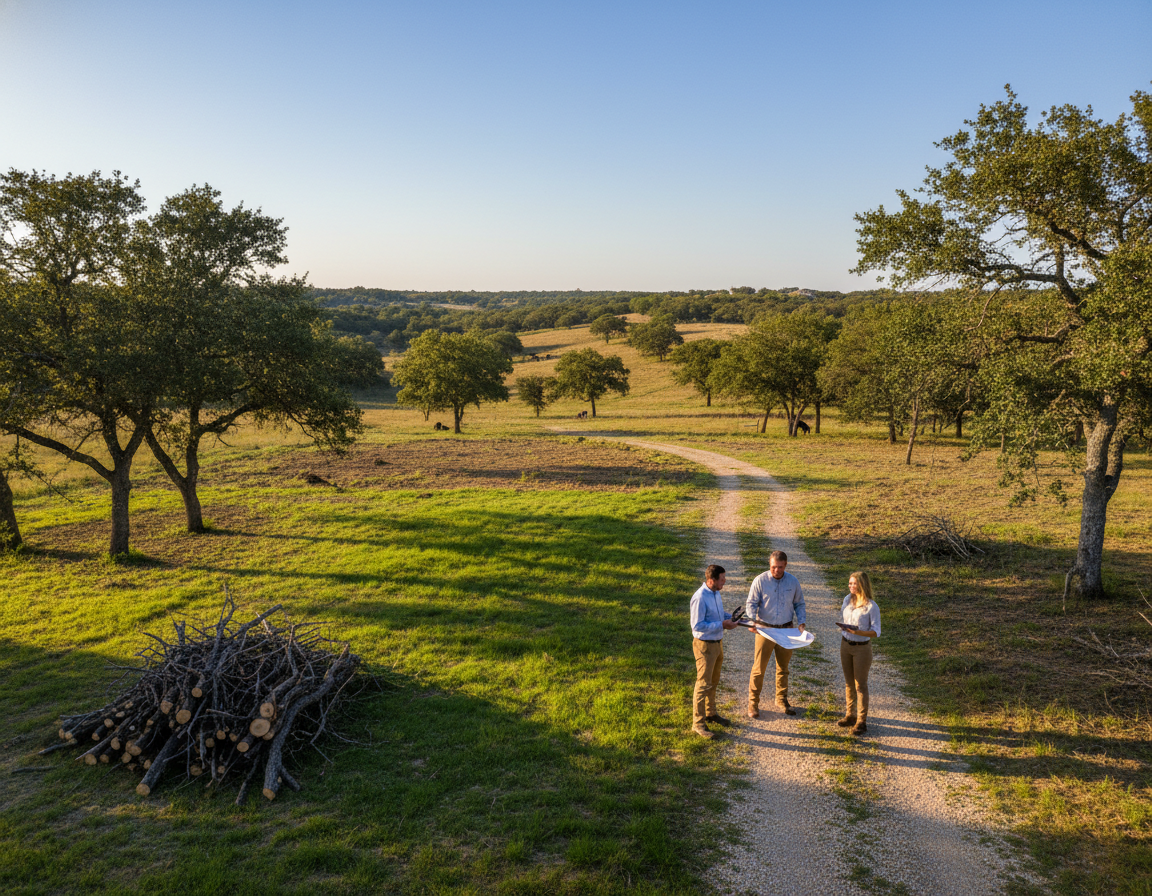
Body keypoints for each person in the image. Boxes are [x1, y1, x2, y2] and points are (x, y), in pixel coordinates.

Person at [746, 550, 806, 718]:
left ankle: (781, 699)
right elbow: (751, 603)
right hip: (765, 630)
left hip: (786, 630)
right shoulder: (760, 580)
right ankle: (753, 703)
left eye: (780, 567)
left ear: (785, 565)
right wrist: (752, 621)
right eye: (773, 567)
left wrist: (801, 621)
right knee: (759, 668)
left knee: (783, 668)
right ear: (769, 565)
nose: (776, 570)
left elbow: (799, 604)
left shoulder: (793, 582)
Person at [690, 564, 740, 738]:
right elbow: (697, 626)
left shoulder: (716, 593)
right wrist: (722, 625)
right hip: (704, 646)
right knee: (703, 684)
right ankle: (698, 723)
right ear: (711, 580)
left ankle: (711, 713)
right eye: (722, 579)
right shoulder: (700, 598)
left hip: (717, 644)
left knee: (714, 681)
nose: (724, 582)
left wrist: (731, 618)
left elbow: (717, 615)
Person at [837, 571, 881, 735]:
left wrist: (858, 633)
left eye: (854, 583)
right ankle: (850, 715)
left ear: (862, 584)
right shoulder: (847, 599)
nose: (851, 586)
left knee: (860, 685)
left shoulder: (871, 606)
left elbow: (876, 632)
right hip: (845, 644)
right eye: (850, 583)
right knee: (849, 683)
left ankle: (861, 721)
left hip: (862, 648)